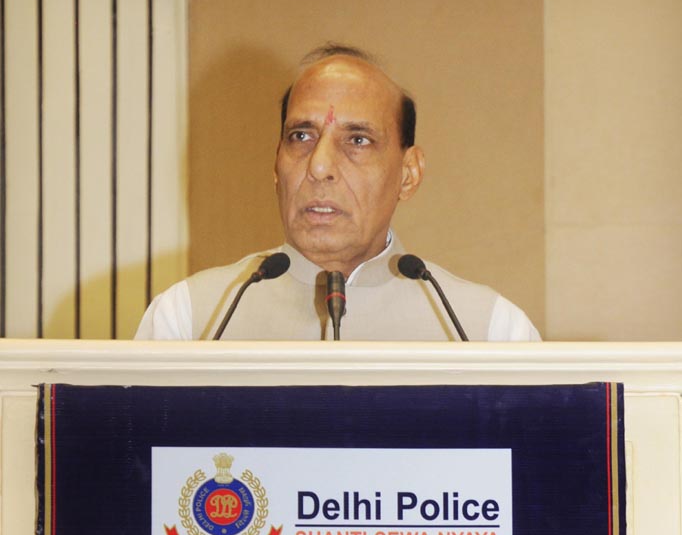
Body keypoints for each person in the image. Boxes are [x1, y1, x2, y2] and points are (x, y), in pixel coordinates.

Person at [136, 44, 540, 342]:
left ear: (408, 174)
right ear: (276, 166)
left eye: (358, 140)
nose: (319, 167)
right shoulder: (190, 321)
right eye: (301, 136)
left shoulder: (488, 331)